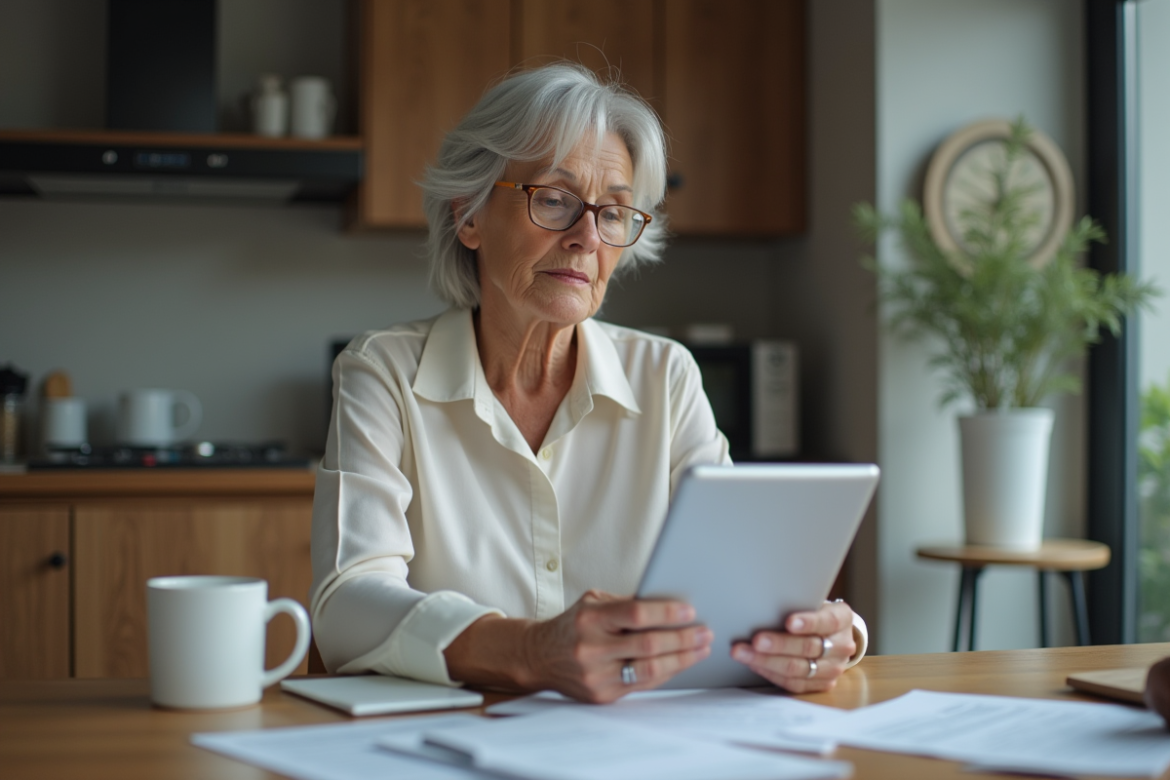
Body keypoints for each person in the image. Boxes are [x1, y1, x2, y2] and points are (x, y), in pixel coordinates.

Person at [310, 63, 868, 703]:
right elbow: (347, 602)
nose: (586, 238)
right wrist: (529, 650)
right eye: (554, 199)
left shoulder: (665, 377)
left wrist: (829, 634)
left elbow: (745, 584)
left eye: (615, 212)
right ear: (469, 216)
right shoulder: (383, 372)